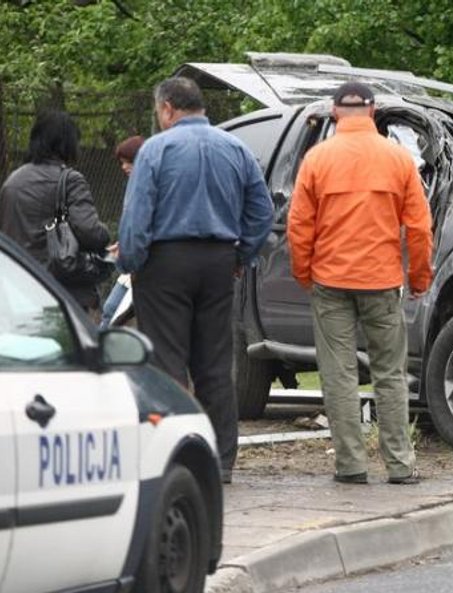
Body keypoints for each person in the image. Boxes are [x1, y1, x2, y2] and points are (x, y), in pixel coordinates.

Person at [117, 77, 274, 484]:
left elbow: (136, 218)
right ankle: (221, 460)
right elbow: (262, 212)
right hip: (219, 261)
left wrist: (131, 262)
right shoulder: (236, 148)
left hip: (165, 264)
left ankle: (174, 454)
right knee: (215, 364)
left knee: (167, 362)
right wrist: (242, 254)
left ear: (167, 108)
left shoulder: (156, 150)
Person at [288, 81, 433, 485]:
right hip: (382, 281)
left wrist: (305, 273)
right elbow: (420, 227)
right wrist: (419, 276)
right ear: (372, 112)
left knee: (338, 373)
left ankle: (350, 465)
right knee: (389, 373)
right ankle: (401, 465)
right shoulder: (398, 159)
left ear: (335, 112)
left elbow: (299, 226)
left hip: (330, 280)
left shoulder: (317, 159)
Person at [0, 110, 110, 316]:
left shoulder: (12, 182)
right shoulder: (70, 180)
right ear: (67, 143)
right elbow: (90, 232)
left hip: (17, 289)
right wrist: (106, 234)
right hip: (61, 291)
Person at [99, 135, 145, 330]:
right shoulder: (133, 186)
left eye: (129, 161)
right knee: (111, 310)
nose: (124, 167)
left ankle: (96, 356)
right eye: (122, 162)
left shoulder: (147, 187)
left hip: (143, 265)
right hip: (132, 263)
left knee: (113, 313)